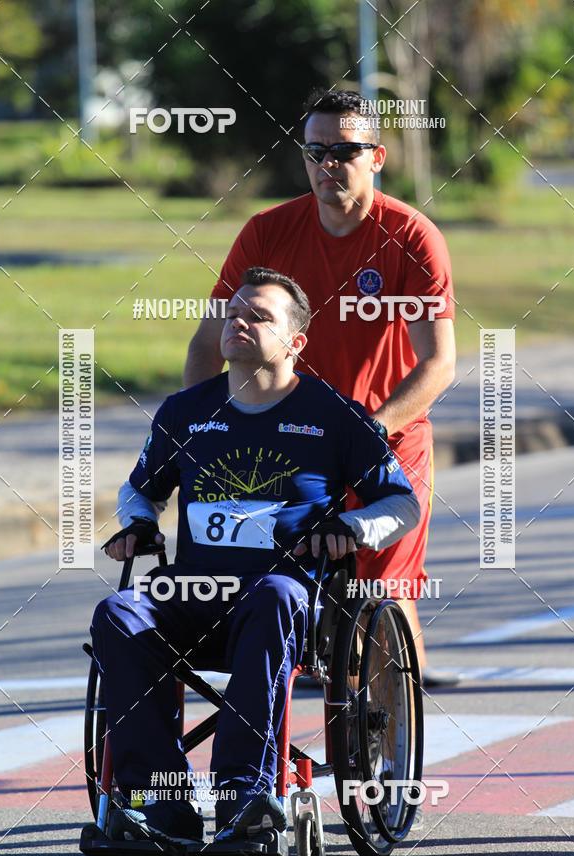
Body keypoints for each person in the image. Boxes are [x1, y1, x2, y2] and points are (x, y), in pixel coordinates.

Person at [92, 267, 420, 850]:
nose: (238, 322)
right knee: (118, 613)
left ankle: (245, 797)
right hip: (192, 595)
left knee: (274, 595)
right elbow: (140, 489)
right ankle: (156, 805)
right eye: (233, 313)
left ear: (296, 342)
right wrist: (138, 522)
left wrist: (351, 527)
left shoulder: (334, 415)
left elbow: (402, 504)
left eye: (259, 316)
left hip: (283, 599)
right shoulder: (184, 411)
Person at [183, 88, 458, 687]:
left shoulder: (411, 237)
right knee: (278, 592)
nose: (327, 163)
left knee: (381, 595)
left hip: (386, 440)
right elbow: (208, 342)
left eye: (344, 151)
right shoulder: (267, 232)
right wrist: (199, 430)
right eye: (314, 151)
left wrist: (368, 433)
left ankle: (389, 728)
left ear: (376, 157)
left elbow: (438, 363)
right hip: (288, 444)